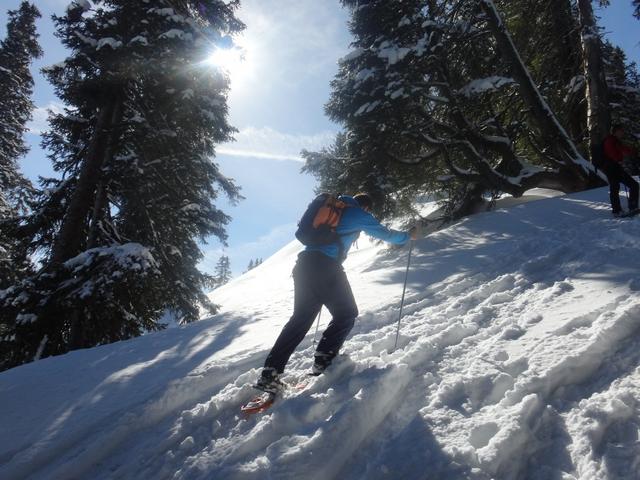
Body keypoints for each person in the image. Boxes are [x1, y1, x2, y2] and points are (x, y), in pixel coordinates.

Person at [256, 193, 418, 393]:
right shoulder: (357, 213)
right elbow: (386, 234)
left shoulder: (331, 210)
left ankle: (269, 373)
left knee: (300, 320)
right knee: (347, 313)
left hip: (303, 266)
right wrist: (407, 235)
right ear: (365, 207)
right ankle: (325, 359)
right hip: (327, 266)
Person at [600, 124, 639, 216]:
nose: (622, 133)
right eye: (621, 131)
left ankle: (626, 208)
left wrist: (631, 151)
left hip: (613, 167)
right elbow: (612, 153)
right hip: (611, 167)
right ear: (616, 131)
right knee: (618, 187)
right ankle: (619, 210)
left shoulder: (615, 140)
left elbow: (623, 150)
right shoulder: (610, 140)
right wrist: (618, 158)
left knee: (628, 185)